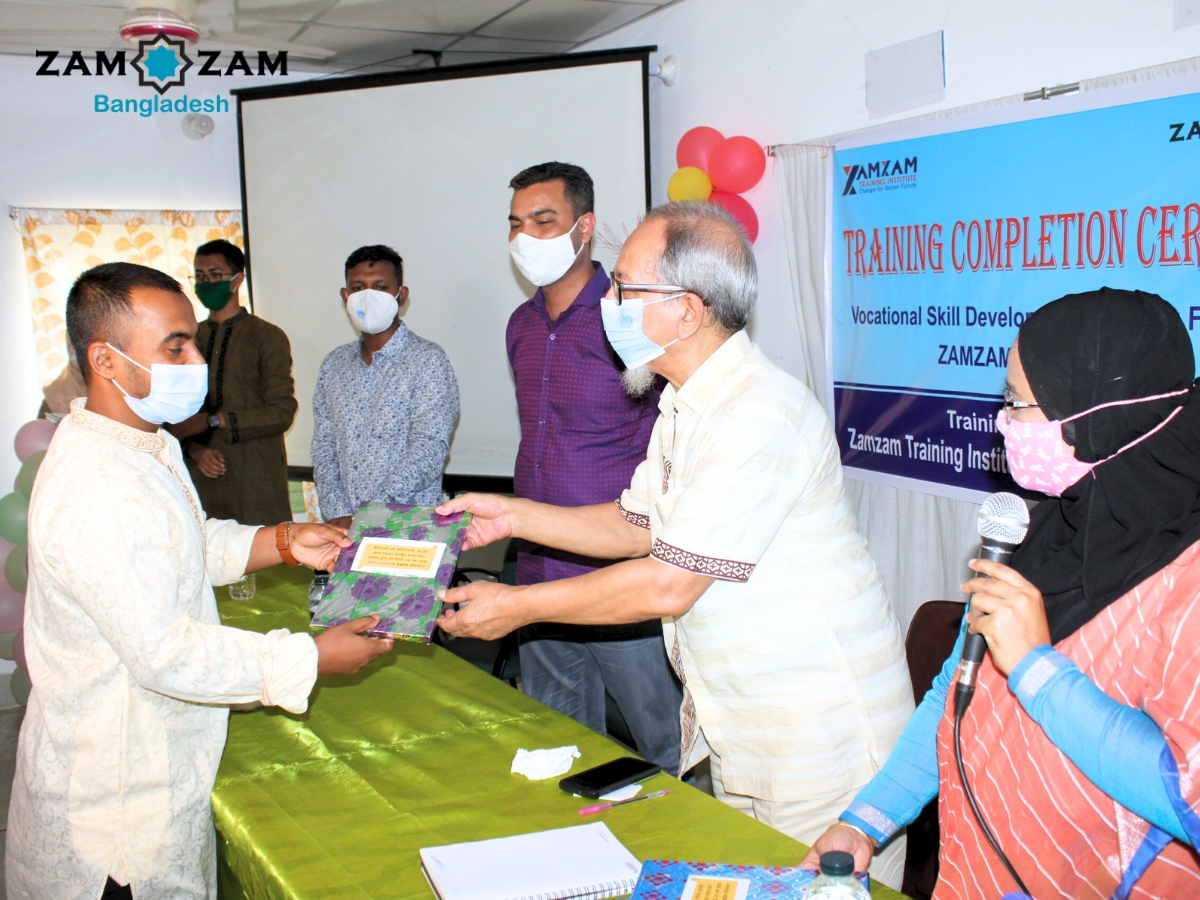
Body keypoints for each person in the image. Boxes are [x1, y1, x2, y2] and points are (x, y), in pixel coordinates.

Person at [437, 202, 913, 888]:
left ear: (687, 312)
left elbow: (668, 582)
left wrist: (515, 607)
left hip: (821, 741)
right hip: (747, 727)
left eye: (625, 288)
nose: (608, 303)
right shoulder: (685, 403)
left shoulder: (756, 413)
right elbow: (635, 525)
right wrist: (513, 517)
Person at [5, 262, 393, 900]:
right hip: (115, 817)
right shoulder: (97, 484)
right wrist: (312, 657)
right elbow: (165, 653)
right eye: (176, 347)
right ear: (105, 360)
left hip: (154, 774)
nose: (196, 361)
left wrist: (284, 542)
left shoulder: (139, 442)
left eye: (193, 342)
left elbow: (185, 540)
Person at [804, 288, 1200, 898]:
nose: (1001, 421)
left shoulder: (1186, 581)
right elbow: (956, 694)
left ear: (1092, 413)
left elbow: (1188, 797)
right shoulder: (1038, 529)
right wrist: (865, 821)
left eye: (1016, 402)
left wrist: (1038, 668)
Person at [505, 161, 682, 771]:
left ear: (585, 228)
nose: (525, 236)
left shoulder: (631, 321)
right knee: (559, 744)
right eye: (516, 224)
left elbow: (675, 436)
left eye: (543, 221)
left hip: (622, 573)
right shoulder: (521, 326)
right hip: (540, 571)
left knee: (665, 743)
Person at [312, 244, 458, 526]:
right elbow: (323, 446)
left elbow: (429, 449)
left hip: (405, 527)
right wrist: (339, 512)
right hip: (342, 525)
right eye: (358, 288)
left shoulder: (427, 360)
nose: (368, 297)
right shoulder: (333, 365)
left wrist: (370, 514)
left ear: (401, 295)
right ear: (345, 297)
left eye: (380, 287)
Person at [169, 239, 298, 525]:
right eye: (200, 276)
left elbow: (282, 413)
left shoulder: (267, 337)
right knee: (205, 546)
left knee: (264, 549)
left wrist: (214, 420)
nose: (206, 283)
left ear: (237, 279)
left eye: (215, 275)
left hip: (255, 477)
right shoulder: (186, 340)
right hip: (199, 478)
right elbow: (171, 415)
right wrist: (195, 451)